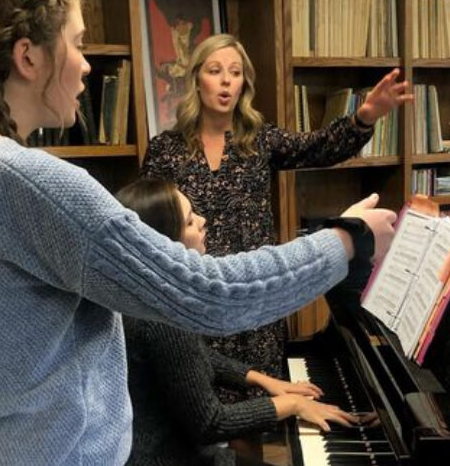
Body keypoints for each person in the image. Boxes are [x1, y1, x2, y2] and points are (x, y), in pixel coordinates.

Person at [0, 0, 398, 465]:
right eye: (77, 43)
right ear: (28, 57)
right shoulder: (35, 184)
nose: (87, 65)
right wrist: (347, 238)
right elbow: (209, 295)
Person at [141, 33, 412, 400]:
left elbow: (318, 148)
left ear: (244, 83)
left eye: (235, 72)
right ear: (196, 79)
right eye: (215, 71)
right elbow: (150, 225)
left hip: (258, 299)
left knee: (265, 407)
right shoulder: (165, 149)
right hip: (198, 301)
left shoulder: (259, 140)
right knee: (205, 411)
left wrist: (365, 116)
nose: (226, 81)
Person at [117, 178, 359, 466]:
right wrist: (293, 404)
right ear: (165, 243)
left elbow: (188, 359)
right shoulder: (164, 316)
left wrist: (261, 379)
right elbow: (211, 422)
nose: (203, 221)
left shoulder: (144, 295)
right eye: (191, 221)